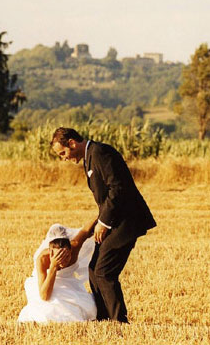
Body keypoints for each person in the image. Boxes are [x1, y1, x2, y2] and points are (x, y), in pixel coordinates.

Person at [50, 127, 156, 323]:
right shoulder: (90, 156)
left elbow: (117, 188)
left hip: (126, 221)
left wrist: (104, 222)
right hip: (114, 221)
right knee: (93, 269)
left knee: (104, 272)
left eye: (63, 153)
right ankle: (103, 319)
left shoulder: (99, 152)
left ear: (72, 143)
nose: (63, 158)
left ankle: (119, 322)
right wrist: (99, 221)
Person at [18, 223, 97, 322]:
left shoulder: (75, 246)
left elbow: (86, 230)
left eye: (66, 256)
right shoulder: (42, 259)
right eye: (59, 257)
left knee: (90, 306)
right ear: (51, 253)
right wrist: (53, 267)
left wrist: (104, 220)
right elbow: (44, 296)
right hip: (45, 283)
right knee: (46, 312)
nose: (63, 261)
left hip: (69, 284)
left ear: (70, 250)